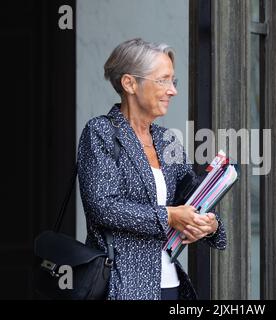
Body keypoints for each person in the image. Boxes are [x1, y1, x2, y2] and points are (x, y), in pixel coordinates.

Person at [77, 38, 227, 300]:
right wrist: (169, 217)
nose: (172, 90)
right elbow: (102, 207)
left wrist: (209, 224)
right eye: (163, 80)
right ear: (129, 83)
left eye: (173, 81)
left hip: (170, 284)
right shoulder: (100, 132)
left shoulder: (166, 139)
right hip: (123, 285)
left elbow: (190, 200)